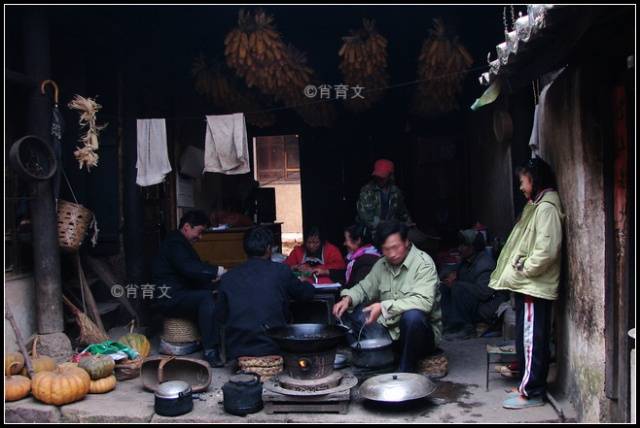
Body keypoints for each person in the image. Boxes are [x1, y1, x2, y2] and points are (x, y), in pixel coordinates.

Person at [489, 157, 564, 410]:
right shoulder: (537, 205)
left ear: (535, 180)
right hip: (528, 284)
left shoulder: (546, 209)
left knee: (533, 339)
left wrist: (526, 269)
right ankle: (526, 384)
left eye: (523, 181)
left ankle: (532, 392)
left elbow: (547, 250)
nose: (521, 187)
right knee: (527, 338)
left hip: (534, 285)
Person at [332, 220, 442, 373]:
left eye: (395, 247)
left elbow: (424, 302)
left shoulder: (423, 264)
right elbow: (364, 288)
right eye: (386, 249)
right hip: (391, 333)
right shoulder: (381, 265)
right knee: (358, 313)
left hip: (421, 336)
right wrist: (348, 298)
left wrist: (383, 307)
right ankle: (381, 361)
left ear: (406, 242)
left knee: (413, 317)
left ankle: (406, 370)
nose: (391, 254)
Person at [215, 226, 315, 359]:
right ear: (269, 248)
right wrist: (306, 281)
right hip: (273, 347)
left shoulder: (228, 277)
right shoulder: (281, 271)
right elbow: (306, 294)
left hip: (237, 350)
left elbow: (220, 317)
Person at [151, 210, 227, 367]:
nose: (200, 237)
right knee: (206, 298)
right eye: (199, 232)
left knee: (213, 292)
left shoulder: (179, 243)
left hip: (179, 293)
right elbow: (189, 268)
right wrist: (217, 270)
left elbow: (191, 273)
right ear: (186, 227)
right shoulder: (175, 243)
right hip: (169, 298)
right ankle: (210, 350)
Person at [440, 229, 508, 339]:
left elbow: (484, 292)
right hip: (473, 303)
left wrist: (456, 284)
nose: (460, 248)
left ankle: (465, 328)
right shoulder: (467, 260)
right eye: (460, 245)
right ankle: (450, 325)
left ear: (473, 248)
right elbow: (450, 270)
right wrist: (448, 275)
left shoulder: (484, 264)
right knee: (444, 287)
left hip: (487, 306)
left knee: (458, 287)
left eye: (464, 245)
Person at [356, 159, 413, 243]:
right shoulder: (367, 191)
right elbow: (366, 218)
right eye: (377, 177)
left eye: (382, 177)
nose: (379, 179)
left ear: (390, 176)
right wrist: (385, 225)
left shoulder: (396, 192)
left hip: (389, 232)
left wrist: (408, 223)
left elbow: (402, 211)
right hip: (370, 232)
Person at [337, 224, 381, 289]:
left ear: (358, 240)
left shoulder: (367, 261)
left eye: (346, 240)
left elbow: (360, 289)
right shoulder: (357, 258)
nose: (344, 243)